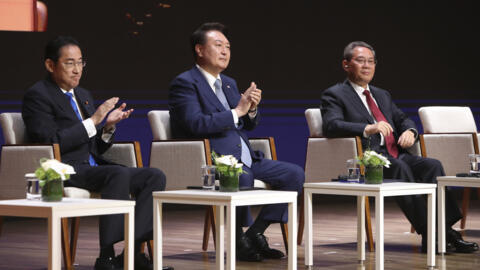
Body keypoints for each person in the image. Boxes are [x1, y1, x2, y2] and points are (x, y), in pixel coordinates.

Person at [22, 36, 174, 270]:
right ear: (50, 65)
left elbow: (94, 147)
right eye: (69, 63)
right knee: (117, 174)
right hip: (64, 168)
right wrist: (93, 120)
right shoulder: (38, 95)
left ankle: (131, 253)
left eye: (81, 63)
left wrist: (107, 127)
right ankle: (106, 257)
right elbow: (50, 141)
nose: (77, 70)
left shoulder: (82, 94)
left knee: (154, 176)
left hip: (92, 167)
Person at [321, 41, 479, 253]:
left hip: (396, 154)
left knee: (432, 165)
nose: (367, 66)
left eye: (371, 61)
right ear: (346, 65)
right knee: (401, 168)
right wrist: (368, 128)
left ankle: (445, 229)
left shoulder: (382, 94)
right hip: (370, 160)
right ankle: (432, 234)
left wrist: (409, 132)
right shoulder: (334, 94)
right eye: (360, 61)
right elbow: (332, 125)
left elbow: (403, 119)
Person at [169, 22, 305, 262]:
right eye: (218, 45)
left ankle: (255, 232)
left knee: (294, 174)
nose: (225, 52)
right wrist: (236, 112)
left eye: (228, 47)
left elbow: (248, 124)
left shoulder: (229, 82)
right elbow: (194, 124)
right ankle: (238, 239)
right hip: (214, 162)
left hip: (247, 158)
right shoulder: (185, 83)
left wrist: (251, 110)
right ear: (199, 50)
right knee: (241, 176)